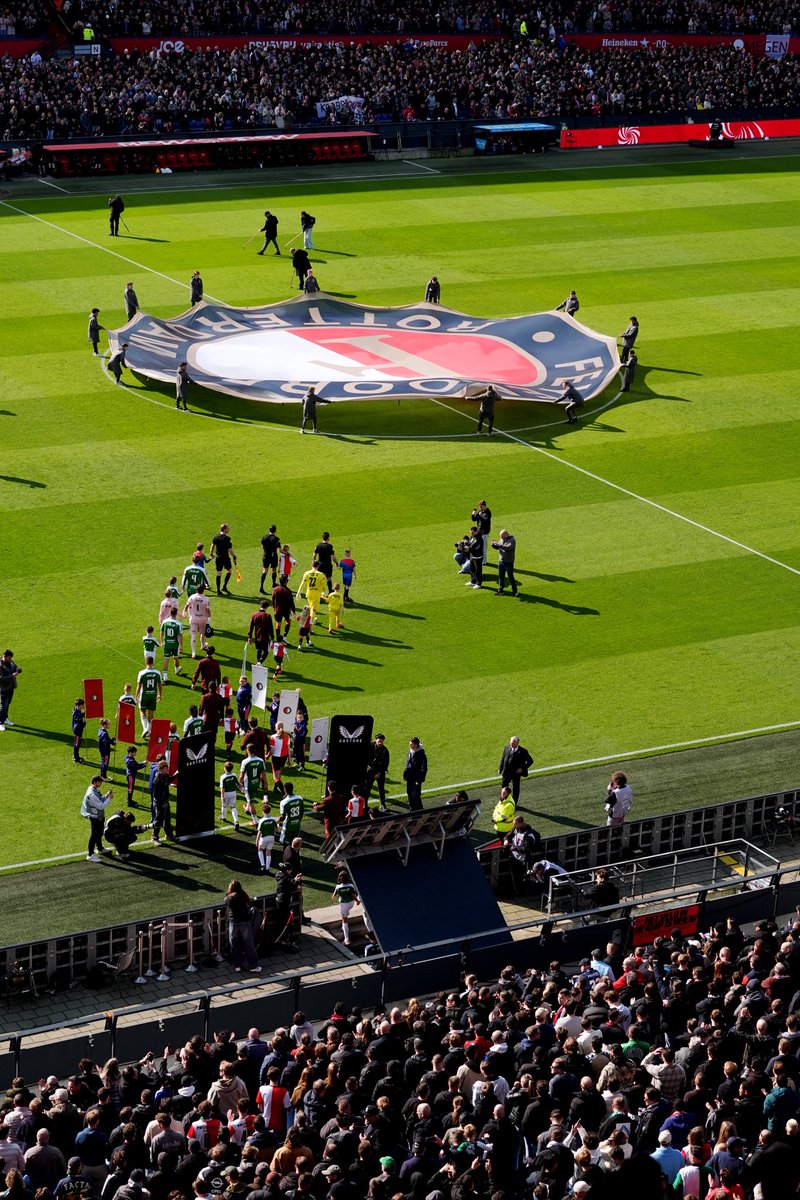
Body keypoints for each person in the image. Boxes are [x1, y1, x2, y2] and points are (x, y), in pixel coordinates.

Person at [224, 880, 262, 974]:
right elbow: (249, 902)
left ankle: (237, 965)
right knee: (249, 945)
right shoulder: (243, 895)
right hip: (244, 922)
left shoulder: (229, 898)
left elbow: (225, 901)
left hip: (233, 923)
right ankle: (253, 966)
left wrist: (229, 893)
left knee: (234, 945)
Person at [504, 814, 542, 892]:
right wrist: (506, 840)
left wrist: (515, 849)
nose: (514, 825)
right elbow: (508, 835)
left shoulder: (529, 834)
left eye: (515, 824)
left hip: (524, 860)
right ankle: (517, 891)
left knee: (525, 876)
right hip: (514, 857)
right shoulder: (516, 828)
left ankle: (526, 891)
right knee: (514, 875)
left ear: (521, 823)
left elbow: (527, 849)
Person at [81, 776, 113, 862]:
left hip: (99, 816)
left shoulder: (94, 789)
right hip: (95, 817)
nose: (101, 784)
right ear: (95, 782)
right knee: (94, 835)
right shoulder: (91, 794)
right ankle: (90, 854)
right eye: (100, 782)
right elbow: (100, 806)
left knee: (99, 833)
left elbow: (100, 799)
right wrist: (109, 799)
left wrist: (106, 796)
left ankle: (100, 848)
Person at [498, 735, 534, 804]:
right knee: (504, 786)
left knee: (516, 788)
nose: (511, 744)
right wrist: (500, 768)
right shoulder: (507, 747)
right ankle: (504, 800)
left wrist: (522, 769)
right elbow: (503, 758)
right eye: (511, 743)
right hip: (506, 772)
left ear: (518, 743)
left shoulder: (523, 751)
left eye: (513, 743)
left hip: (516, 774)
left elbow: (530, 761)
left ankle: (514, 803)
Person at [135, 655, 162, 737]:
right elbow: (160, 686)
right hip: (153, 695)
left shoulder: (141, 673)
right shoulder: (157, 673)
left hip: (144, 696)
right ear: (153, 663)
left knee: (142, 712)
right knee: (151, 714)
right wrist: (159, 695)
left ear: (145, 662)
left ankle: (145, 729)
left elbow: (139, 686)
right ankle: (148, 731)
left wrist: (136, 696)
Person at [240, 744, 267, 825]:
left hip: (248, 785)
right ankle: (247, 808)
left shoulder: (245, 762)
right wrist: (265, 783)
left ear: (247, 751)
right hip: (256, 783)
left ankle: (255, 821)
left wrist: (239, 784)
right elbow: (263, 773)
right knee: (250, 797)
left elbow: (241, 775)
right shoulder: (260, 760)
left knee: (251, 801)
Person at [332, 871, 358, 946]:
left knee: (344, 919)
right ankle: (343, 927)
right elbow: (353, 895)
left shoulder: (338, 887)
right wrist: (357, 901)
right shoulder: (351, 886)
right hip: (351, 903)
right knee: (345, 916)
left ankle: (346, 939)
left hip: (344, 905)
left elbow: (333, 897)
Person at [185, 585, 212, 659]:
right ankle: (202, 645)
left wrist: (185, 612)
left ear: (196, 590)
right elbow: (208, 610)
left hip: (193, 619)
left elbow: (187, 605)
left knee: (193, 635)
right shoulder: (206, 599)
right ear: (203, 590)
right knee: (202, 634)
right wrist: (209, 619)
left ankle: (193, 652)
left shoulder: (191, 597)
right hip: (203, 619)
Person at [150, 759, 174, 843]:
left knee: (167, 819)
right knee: (158, 820)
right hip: (159, 803)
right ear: (160, 769)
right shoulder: (157, 779)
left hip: (165, 802)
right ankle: (154, 837)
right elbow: (155, 795)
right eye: (166, 769)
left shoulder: (165, 776)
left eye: (167, 768)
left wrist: (175, 775)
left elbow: (168, 780)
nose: (167, 770)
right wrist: (161, 803)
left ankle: (169, 835)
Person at [210, 523, 237, 595]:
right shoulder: (227, 538)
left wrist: (211, 553)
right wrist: (234, 556)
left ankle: (218, 591)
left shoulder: (216, 537)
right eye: (228, 528)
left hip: (218, 558)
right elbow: (230, 549)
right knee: (229, 570)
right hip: (225, 558)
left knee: (219, 573)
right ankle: (224, 586)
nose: (229, 529)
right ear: (224, 529)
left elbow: (212, 545)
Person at [365, 734, 390, 810]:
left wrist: (379, 773)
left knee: (381, 789)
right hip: (370, 771)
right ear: (376, 740)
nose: (380, 743)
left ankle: (382, 804)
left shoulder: (385, 751)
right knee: (367, 788)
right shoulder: (371, 746)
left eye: (382, 741)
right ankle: (365, 804)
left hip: (380, 772)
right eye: (379, 741)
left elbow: (385, 764)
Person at [492, 528, 519, 597]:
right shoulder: (502, 539)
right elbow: (498, 547)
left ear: (506, 534)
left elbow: (508, 548)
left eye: (502, 536)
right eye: (500, 537)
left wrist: (499, 545)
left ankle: (515, 591)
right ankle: (501, 590)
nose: (501, 538)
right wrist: (494, 545)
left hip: (508, 562)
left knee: (511, 577)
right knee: (501, 577)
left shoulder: (512, 540)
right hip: (501, 561)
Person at [160, 605, 184, 681]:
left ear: (170, 613)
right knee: (176, 657)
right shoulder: (178, 624)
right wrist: (181, 645)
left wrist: (162, 641)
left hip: (167, 644)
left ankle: (165, 677)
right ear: (176, 613)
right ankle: (177, 669)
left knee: (166, 659)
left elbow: (162, 632)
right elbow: (180, 636)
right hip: (175, 645)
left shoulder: (165, 622)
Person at [404, 737, 427, 811]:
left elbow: (424, 768)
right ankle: (412, 809)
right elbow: (407, 764)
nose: (410, 746)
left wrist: (419, 780)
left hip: (416, 778)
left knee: (416, 795)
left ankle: (420, 810)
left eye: (412, 744)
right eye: (410, 744)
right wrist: (405, 774)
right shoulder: (410, 752)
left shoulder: (421, 755)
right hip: (409, 777)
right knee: (409, 793)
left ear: (416, 745)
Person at [248, 600, 275, 664]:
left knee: (259, 650)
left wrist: (250, 637)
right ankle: (260, 662)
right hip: (265, 637)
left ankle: (258, 662)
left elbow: (251, 627)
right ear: (266, 607)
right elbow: (271, 628)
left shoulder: (254, 615)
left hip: (257, 636)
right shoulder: (268, 616)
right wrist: (272, 637)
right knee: (266, 651)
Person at [256, 800, 278, 873]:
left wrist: (257, 841)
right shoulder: (273, 819)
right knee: (268, 852)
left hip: (264, 838)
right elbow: (277, 830)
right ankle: (267, 868)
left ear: (263, 812)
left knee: (260, 849)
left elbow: (259, 832)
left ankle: (262, 865)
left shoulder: (261, 821)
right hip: (272, 838)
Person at [219, 762, 241, 830]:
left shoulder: (223, 777)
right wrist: (242, 788)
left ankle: (223, 817)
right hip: (233, 793)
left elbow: (222, 788)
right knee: (233, 807)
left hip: (226, 794)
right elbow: (238, 784)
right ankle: (236, 821)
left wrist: (222, 797)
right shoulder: (234, 775)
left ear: (225, 768)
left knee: (224, 806)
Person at [272, 574, 296, 638]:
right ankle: (284, 637)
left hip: (278, 610)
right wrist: (294, 611)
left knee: (278, 623)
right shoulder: (288, 591)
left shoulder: (275, 589)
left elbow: (273, 599)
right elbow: (291, 602)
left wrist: (274, 607)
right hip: (286, 610)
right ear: (286, 581)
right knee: (288, 621)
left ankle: (278, 637)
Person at [260, 525, 281, 593]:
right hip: (273, 556)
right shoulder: (276, 539)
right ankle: (273, 583)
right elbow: (279, 548)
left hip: (265, 555)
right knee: (274, 569)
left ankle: (261, 586)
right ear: (275, 530)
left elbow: (262, 546)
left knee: (265, 571)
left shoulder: (264, 537)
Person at [72, 697, 86, 764]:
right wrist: (84, 713)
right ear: (78, 705)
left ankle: (76, 755)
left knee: (78, 743)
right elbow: (77, 718)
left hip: (79, 729)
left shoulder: (77, 710)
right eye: (82, 705)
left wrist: (83, 724)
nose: (83, 706)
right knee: (77, 744)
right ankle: (76, 757)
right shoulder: (76, 712)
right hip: (77, 731)